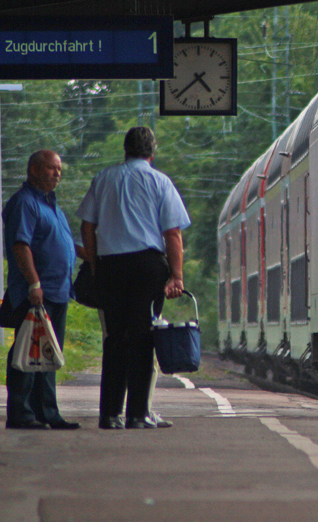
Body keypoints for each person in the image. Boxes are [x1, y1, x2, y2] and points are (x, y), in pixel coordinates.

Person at [76, 126, 191, 429]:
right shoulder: (160, 181)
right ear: (152, 153)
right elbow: (173, 233)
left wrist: (94, 260)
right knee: (142, 339)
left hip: (111, 266)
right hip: (147, 267)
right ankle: (138, 414)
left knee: (114, 339)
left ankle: (109, 414)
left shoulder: (104, 178)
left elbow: (87, 225)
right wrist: (176, 276)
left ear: (125, 150)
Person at [2, 150, 80, 430]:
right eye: (51, 169)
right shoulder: (25, 203)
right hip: (36, 293)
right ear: (34, 170)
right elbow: (21, 245)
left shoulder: (52, 206)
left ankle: (47, 412)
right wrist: (33, 282)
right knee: (28, 352)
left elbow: (65, 244)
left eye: (59, 169)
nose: (57, 173)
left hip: (57, 291)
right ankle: (21, 413)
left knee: (47, 355)